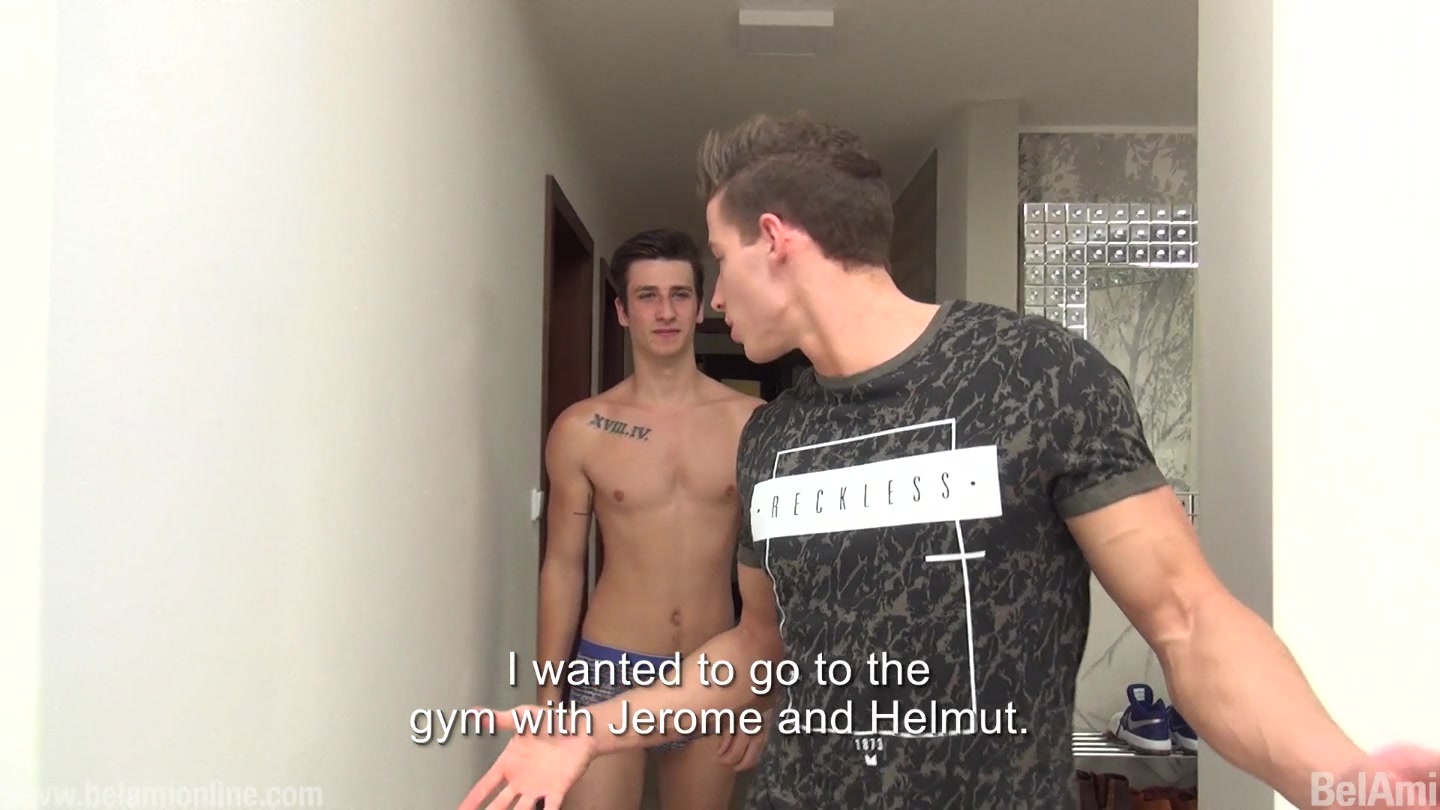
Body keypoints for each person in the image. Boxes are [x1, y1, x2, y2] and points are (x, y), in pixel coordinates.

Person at [460, 116, 1440, 809]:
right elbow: (758, 647)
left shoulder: (1036, 375)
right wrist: (588, 723)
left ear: (775, 242)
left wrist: (1340, 782)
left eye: (719, 260)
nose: (713, 301)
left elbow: (1190, 618)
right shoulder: (773, 438)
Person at [531, 227, 768, 810]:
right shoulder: (582, 428)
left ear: (701, 306)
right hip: (609, 668)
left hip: (716, 668)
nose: (665, 312)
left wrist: (766, 691)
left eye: (679, 295)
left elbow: (781, 570)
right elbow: (562, 566)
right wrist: (547, 699)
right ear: (621, 311)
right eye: (647, 296)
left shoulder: (751, 424)